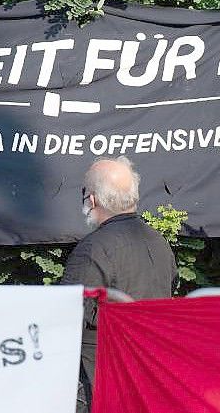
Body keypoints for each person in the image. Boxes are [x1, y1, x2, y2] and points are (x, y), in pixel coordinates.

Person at [61, 156, 177, 411]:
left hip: (95, 380)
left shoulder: (93, 249)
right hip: (147, 372)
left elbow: (65, 319)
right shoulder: (159, 243)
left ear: (91, 200)